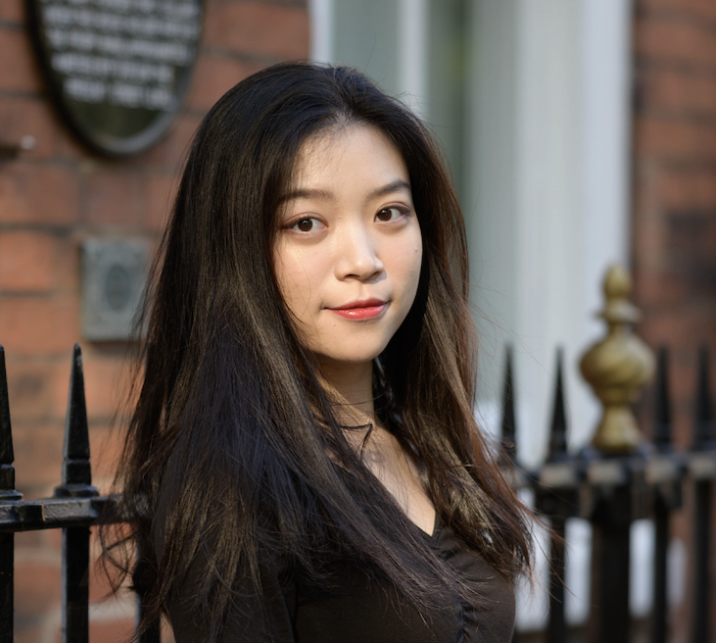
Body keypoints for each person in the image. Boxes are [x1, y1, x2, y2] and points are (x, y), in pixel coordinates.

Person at [111, 62, 534, 643]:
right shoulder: (231, 484)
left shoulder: (421, 444)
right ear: (236, 250)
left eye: (389, 213)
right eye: (307, 223)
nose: (363, 259)